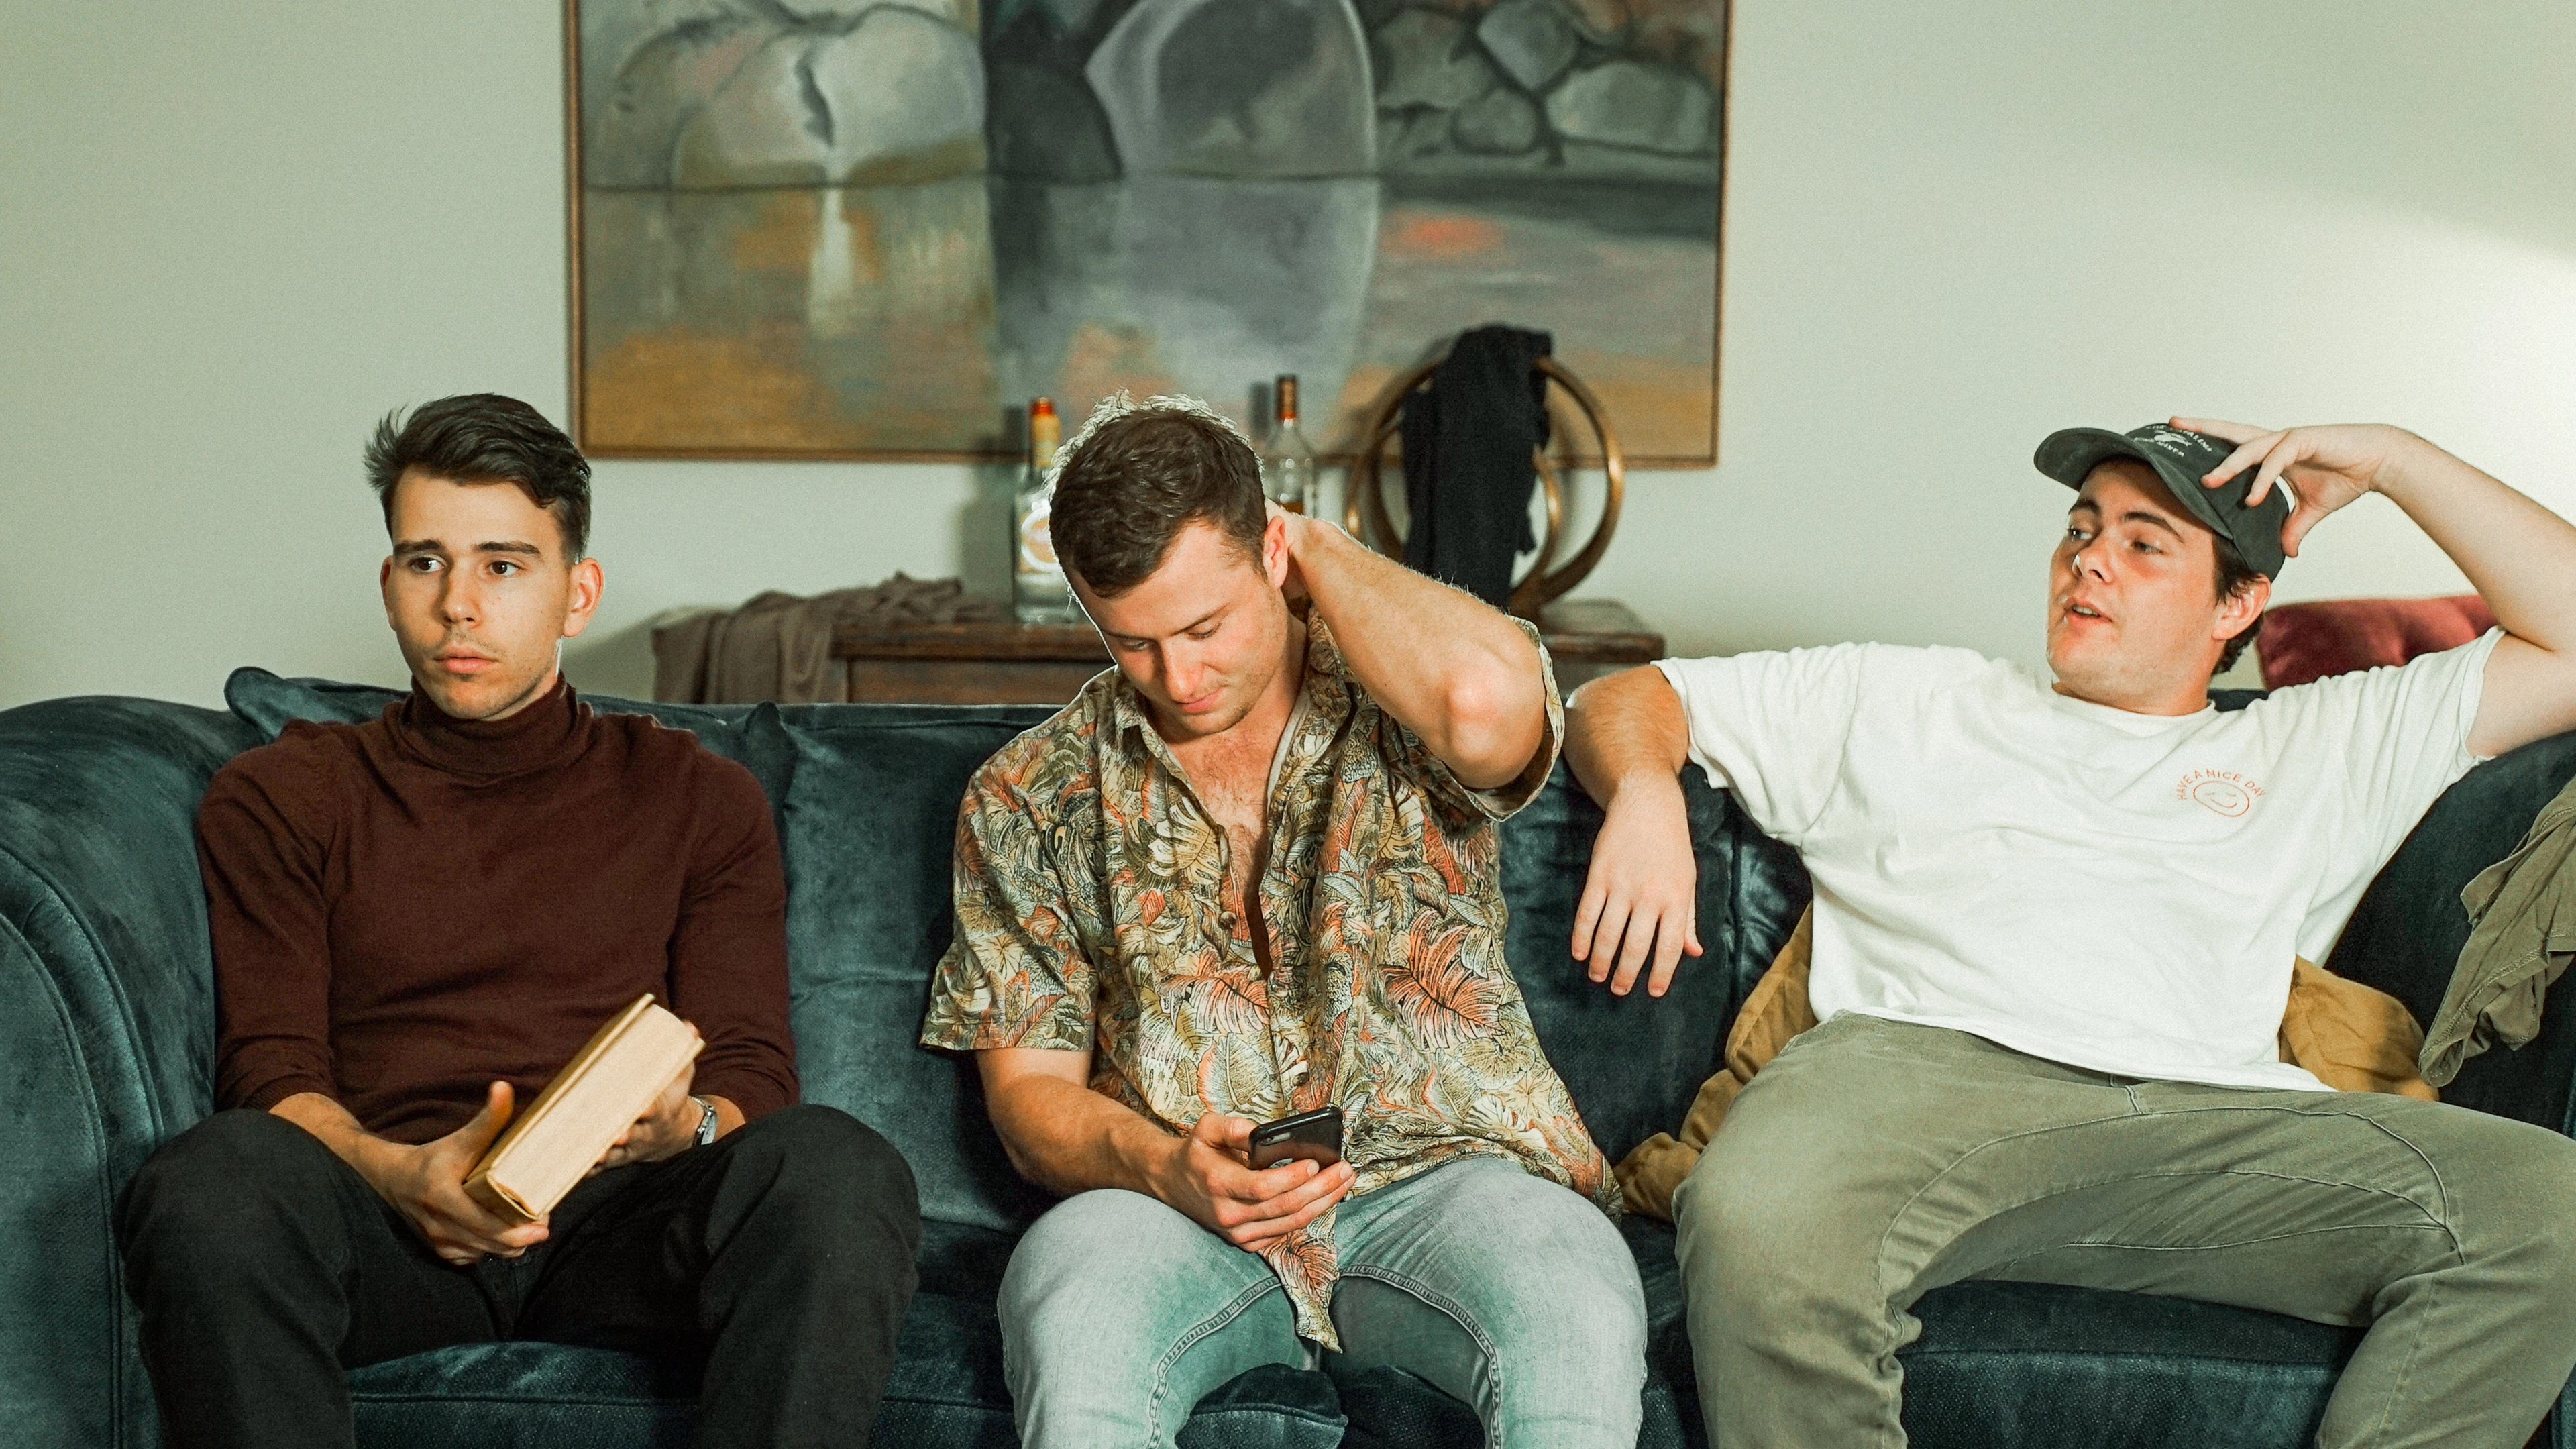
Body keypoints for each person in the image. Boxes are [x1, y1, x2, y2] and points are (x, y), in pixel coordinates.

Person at [1565, 418, 2576, 1448]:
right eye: (2082, 529)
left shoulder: (2321, 742)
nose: (2090, 556)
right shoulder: (1918, 698)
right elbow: (1633, 695)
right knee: (1755, 1210)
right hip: (1912, 1088)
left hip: (2211, 1131)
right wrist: (1646, 790)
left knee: (2549, 1205)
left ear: (2239, 602)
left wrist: (2397, 461)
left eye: (2145, 543)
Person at [115, 394, 921, 1449]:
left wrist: (688, 1127)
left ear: (575, 593)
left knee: (839, 1166)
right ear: (390, 585)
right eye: (424, 562)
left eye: (503, 565)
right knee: (209, 1179)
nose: (459, 606)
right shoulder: (286, 793)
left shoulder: (697, 798)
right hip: (392, 1219)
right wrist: (400, 1177)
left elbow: (755, 1075)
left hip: (619, 1224)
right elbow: (273, 1076)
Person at [921, 394, 1646, 1448]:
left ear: (1270, 550)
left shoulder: (1403, 693)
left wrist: (1311, 542)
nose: (1181, 678)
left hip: (1447, 1182)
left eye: (1205, 626)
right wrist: (1162, 1167)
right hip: (1176, 1209)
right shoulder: (1028, 793)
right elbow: (1032, 1099)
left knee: (1574, 1305)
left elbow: (1492, 711)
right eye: (1132, 643)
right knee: (1071, 1314)